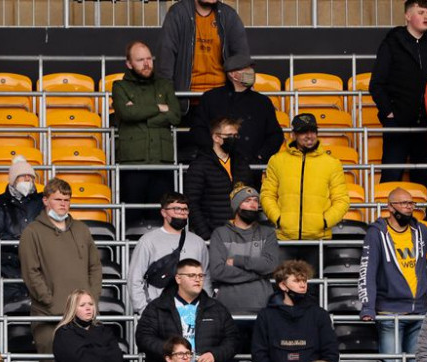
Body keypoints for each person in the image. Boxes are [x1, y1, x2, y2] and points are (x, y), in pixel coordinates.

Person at [360, 186, 427, 362]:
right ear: (390, 207)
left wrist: (426, 276)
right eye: (405, 203)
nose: (410, 208)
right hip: (390, 313)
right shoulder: (376, 233)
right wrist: (368, 307)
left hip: (419, 311)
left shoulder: (420, 229)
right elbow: (368, 270)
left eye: (412, 203)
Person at [19, 178, 103, 355]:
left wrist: (91, 300)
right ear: (45, 200)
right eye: (58, 199)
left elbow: (94, 267)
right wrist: (50, 302)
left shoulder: (82, 229)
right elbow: (30, 272)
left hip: (82, 316)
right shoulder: (32, 232)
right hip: (50, 317)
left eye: (67, 200)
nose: (63, 204)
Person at [136, 258, 237, 362]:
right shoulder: (157, 307)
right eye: (191, 275)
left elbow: (233, 340)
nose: (198, 279)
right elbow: (143, 338)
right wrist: (173, 352)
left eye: (201, 275)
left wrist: (214, 354)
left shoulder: (217, 308)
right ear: (178, 279)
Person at [251, 260, 339, 362]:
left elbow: (330, 353)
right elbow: (259, 355)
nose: (302, 285)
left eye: (304, 280)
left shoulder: (319, 315)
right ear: (282, 285)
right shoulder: (266, 316)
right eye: (297, 281)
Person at [188, 55, 284, 186]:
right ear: (232, 74)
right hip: (215, 169)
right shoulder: (210, 98)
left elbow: (275, 135)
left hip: (250, 169)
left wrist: (260, 156)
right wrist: (214, 152)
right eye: (246, 69)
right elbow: (198, 130)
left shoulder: (262, 102)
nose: (251, 72)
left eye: (251, 68)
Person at [113, 41, 182, 222]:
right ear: (129, 64)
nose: (146, 64)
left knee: (162, 218)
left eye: (149, 59)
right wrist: (160, 107)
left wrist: (139, 111)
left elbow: (175, 116)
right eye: (140, 60)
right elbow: (127, 113)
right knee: (131, 218)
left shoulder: (165, 84)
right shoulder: (119, 86)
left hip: (162, 162)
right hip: (133, 163)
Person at [370, 0, 427, 189]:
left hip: (424, 126)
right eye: (421, 12)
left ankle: (422, 219)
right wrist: (390, 113)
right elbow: (376, 84)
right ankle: (382, 218)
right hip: (397, 124)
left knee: (422, 181)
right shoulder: (392, 43)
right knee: (390, 176)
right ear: (407, 16)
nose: (426, 16)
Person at [261, 113, 350, 243]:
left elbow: (342, 200)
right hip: (285, 238)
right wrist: (279, 219)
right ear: (294, 135)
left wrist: (324, 222)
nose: (309, 136)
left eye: (313, 131)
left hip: (319, 239)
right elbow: (267, 195)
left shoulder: (332, 163)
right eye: (303, 132)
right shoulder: (277, 161)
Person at [127, 192, 210, 316]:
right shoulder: (148, 241)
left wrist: (205, 309)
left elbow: (206, 277)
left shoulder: (198, 242)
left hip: (192, 314)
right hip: (160, 314)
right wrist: (145, 310)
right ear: (164, 212)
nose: (182, 212)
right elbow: (135, 278)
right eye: (176, 208)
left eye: (185, 209)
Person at [207, 183, 281, 315]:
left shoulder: (267, 233)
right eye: (247, 201)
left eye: (256, 201)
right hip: (228, 307)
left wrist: (237, 260)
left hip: (262, 307)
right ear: (236, 206)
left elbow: (271, 266)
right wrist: (259, 273)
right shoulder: (220, 233)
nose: (253, 205)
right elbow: (217, 272)